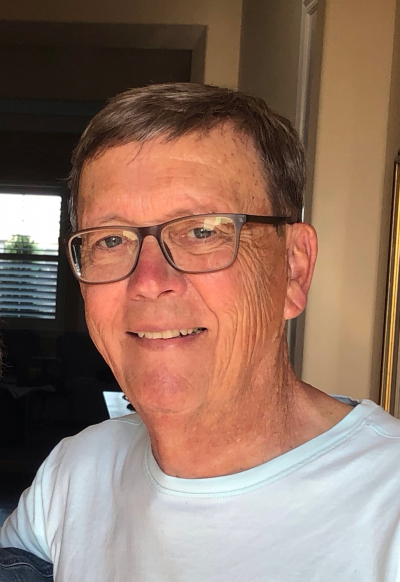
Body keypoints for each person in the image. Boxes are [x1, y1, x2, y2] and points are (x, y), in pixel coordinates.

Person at [1, 83, 400, 581]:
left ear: (294, 270)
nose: (149, 282)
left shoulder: (388, 508)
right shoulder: (72, 476)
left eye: (202, 231)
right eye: (111, 239)